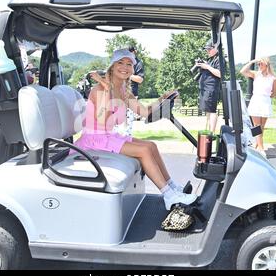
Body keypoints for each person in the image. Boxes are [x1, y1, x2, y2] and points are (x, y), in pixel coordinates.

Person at [74, 49, 197, 211]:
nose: (125, 67)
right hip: (94, 140)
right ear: (112, 66)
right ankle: (168, 196)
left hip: (109, 136)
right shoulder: (99, 90)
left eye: (129, 64)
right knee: (144, 151)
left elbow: (144, 112)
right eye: (120, 63)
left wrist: (162, 99)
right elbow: (103, 118)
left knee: (151, 145)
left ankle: (172, 186)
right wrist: (107, 88)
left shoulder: (124, 89)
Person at [240, 57, 276, 155]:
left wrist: (266, 96)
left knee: (262, 127)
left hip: (265, 101)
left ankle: (257, 145)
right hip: (256, 100)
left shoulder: (273, 77)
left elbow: (274, 93)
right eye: (258, 64)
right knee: (256, 126)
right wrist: (252, 61)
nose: (259, 66)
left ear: (266, 65)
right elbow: (243, 71)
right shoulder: (256, 74)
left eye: (261, 64)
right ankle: (261, 148)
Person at [195, 39, 223, 133]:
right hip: (205, 89)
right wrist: (204, 65)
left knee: (212, 111)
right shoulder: (211, 59)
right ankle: (209, 131)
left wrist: (207, 67)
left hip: (211, 89)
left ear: (215, 48)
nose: (207, 51)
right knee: (208, 111)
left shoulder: (220, 59)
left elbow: (220, 74)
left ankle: (211, 132)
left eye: (209, 49)